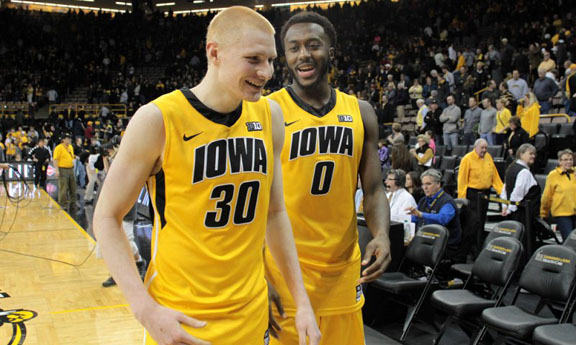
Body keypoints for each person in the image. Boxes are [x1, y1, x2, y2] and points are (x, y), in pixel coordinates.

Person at [93, 7, 320, 345]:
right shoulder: (157, 119)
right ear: (214, 52)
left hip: (251, 313)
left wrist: (301, 300)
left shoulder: (270, 115)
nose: (266, 72)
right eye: (254, 59)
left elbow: (273, 213)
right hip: (181, 319)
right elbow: (107, 216)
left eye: (271, 60)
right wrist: (144, 308)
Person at [265, 12, 391, 345]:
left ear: (331, 52)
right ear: (285, 57)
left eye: (312, 45)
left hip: (341, 267)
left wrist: (381, 234)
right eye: (293, 48)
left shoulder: (361, 111)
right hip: (283, 269)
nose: (302, 54)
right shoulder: (267, 111)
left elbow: (374, 188)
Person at [457, 139, 504, 257]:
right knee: (472, 223)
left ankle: (478, 250)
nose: (484, 150)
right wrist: (462, 199)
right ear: (476, 147)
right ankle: (466, 251)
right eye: (482, 148)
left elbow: (495, 177)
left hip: (485, 195)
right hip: (472, 195)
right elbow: (462, 180)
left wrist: (502, 193)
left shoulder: (489, 157)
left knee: (481, 222)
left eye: (486, 148)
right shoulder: (467, 159)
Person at [406, 169, 462, 256]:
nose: (425, 187)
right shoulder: (423, 200)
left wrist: (421, 214)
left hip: (444, 245)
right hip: (425, 240)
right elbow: (414, 219)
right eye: (423, 184)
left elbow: (442, 219)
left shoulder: (447, 201)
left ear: (438, 184)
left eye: (428, 184)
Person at [540, 149, 576, 241]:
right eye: (565, 159)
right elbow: (547, 196)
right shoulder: (553, 175)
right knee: (569, 240)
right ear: (560, 161)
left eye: (571, 159)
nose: (568, 162)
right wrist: (543, 213)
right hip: (562, 213)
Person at [501, 144, 540, 224]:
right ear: (521, 154)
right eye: (530, 153)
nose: (533, 156)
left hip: (513, 213)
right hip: (522, 216)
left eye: (534, 154)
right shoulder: (524, 172)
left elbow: (504, 190)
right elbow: (517, 193)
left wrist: (505, 206)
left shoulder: (511, 167)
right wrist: (509, 209)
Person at [53, 134, 77, 211]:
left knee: (73, 187)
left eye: (70, 139)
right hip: (62, 169)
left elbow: (72, 157)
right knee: (63, 187)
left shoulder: (70, 147)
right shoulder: (58, 148)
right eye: (68, 138)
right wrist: (56, 170)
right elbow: (55, 159)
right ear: (63, 140)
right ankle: (63, 203)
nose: (69, 140)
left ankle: (73, 202)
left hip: (71, 168)